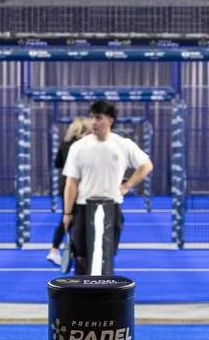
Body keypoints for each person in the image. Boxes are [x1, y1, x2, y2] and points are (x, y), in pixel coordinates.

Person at [61, 99, 153, 276]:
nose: (93, 122)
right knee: (82, 258)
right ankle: (81, 299)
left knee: (107, 256)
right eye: (91, 118)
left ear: (110, 120)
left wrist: (127, 186)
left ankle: (104, 299)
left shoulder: (123, 145)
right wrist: (67, 213)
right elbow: (71, 182)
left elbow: (147, 165)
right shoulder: (78, 147)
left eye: (98, 118)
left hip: (112, 206)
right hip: (83, 207)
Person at [46, 115, 92, 265]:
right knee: (72, 219)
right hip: (79, 186)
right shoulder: (84, 145)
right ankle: (56, 250)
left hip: (65, 185)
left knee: (67, 217)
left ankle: (56, 250)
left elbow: (58, 163)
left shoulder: (65, 143)